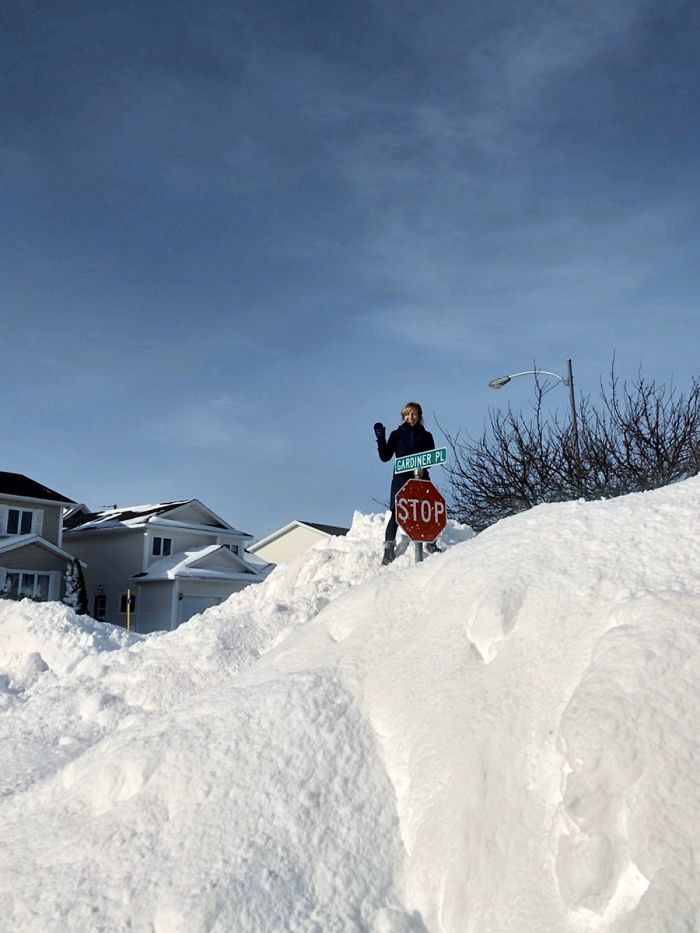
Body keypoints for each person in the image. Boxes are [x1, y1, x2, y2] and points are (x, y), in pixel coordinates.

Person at [374, 401, 441, 565]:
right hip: (401, 481)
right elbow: (385, 457)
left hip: (421, 480)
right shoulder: (397, 435)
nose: (410, 417)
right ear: (403, 416)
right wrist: (381, 440)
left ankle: (431, 543)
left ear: (419, 416)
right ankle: (388, 549)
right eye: (407, 414)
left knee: (428, 511)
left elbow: (431, 459)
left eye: (413, 414)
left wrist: (418, 467)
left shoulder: (426, 436)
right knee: (397, 514)